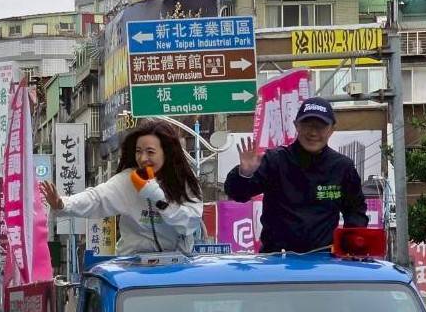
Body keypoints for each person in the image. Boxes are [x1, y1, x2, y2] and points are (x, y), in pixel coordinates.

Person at [224, 97, 368, 254]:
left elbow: (356, 211)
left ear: (332, 129)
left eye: (320, 126)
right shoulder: (275, 160)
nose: (313, 132)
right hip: (276, 259)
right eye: (307, 125)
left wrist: (350, 247)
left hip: (324, 259)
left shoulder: (342, 167)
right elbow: (238, 194)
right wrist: (245, 173)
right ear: (296, 125)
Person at [40, 119, 203, 255]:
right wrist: (63, 204)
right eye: (139, 151)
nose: (143, 158)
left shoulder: (184, 182)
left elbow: (189, 223)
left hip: (175, 267)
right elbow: (97, 198)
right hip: (133, 267)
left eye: (150, 152)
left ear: (167, 152)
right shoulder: (128, 180)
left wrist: (157, 197)